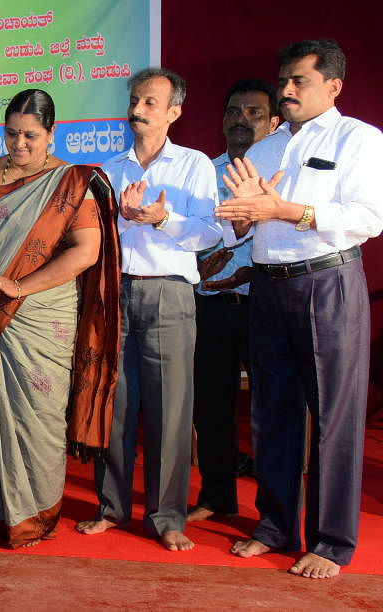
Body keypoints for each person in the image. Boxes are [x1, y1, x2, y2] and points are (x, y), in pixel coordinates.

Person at [218, 39, 383, 579]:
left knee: (334, 416)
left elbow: (367, 216)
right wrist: (241, 218)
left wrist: (282, 209)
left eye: (299, 82)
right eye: (284, 80)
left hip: (328, 282)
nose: (286, 91)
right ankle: (275, 525)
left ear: (333, 86)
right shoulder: (265, 149)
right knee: (271, 412)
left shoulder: (358, 138)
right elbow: (239, 223)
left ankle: (331, 542)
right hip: (267, 286)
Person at [0, 89, 120, 549]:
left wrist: (18, 287)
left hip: (41, 313)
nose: (19, 145)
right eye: (12, 134)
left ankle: (30, 514)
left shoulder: (69, 182)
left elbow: (87, 250)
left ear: (51, 133)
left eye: (31, 136)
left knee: (37, 414)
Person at [76, 68, 221, 551]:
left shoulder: (195, 165)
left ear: (174, 112)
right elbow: (89, 238)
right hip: (114, 293)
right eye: (134, 101)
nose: (137, 110)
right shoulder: (110, 169)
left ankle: (166, 516)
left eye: (150, 103)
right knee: (113, 404)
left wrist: (163, 218)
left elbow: (211, 234)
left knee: (169, 409)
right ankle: (112, 507)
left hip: (169, 293)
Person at [187, 79, 278, 524]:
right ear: (222, 121)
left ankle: (273, 510)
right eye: (234, 111)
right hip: (211, 306)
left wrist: (251, 275)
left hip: (268, 305)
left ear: (274, 121)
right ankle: (217, 495)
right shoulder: (204, 173)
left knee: (272, 408)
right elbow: (189, 236)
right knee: (212, 405)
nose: (242, 119)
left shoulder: (283, 174)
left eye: (255, 112)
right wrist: (203, 277)